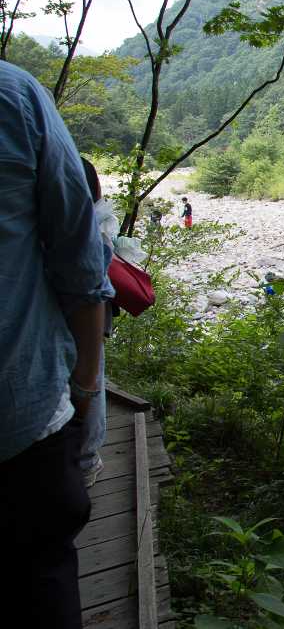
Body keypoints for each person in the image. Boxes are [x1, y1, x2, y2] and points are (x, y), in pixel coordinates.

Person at [0, 60, 114, 627]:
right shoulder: (15, 95)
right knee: (40, 578)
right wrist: (87, 387)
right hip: (21, 415)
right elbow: (81, 256)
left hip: (23, 411)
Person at [78, 158, 117, 488]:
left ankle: (86, 459)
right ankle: (86, 458)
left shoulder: (84, 224)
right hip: (99, 309)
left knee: (92, 376)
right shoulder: (101, 218)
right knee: (93, 374)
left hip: (90, 310)